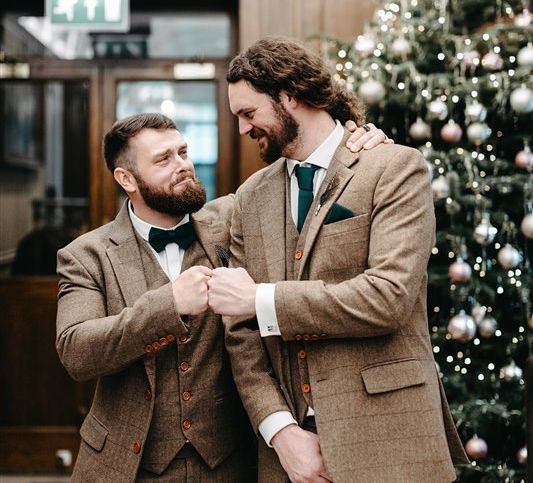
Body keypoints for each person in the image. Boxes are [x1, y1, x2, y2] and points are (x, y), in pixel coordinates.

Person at [55, 112, 387, 482]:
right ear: (126, 178)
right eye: (164, 159)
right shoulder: (87, 255)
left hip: (231, 461)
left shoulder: (234, 218)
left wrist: (357, 141)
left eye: (182, 152)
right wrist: (169, 305)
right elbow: (77, 352)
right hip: (128, 465)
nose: (182, 165)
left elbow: (313, 165)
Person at [207, 37, 469, 483]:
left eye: (248, 113)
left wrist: (262, 300)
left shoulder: (394, 168)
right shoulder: (249, 197)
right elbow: (241, 337)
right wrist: (280, 431)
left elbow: (388, 298)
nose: (242, 129)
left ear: (289, 95)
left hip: (389, 441)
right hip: (287, 460)